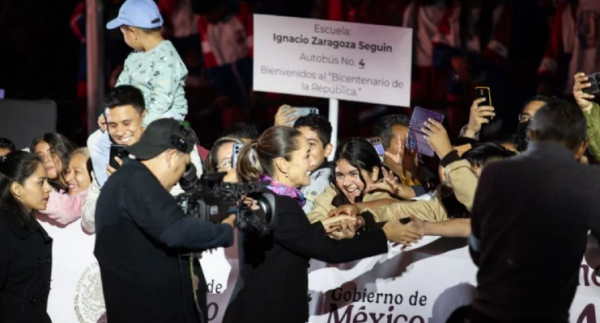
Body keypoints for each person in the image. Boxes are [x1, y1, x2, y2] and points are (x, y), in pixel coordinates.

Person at [222, 126, 420, 323]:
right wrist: (384, 235)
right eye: (306, 155)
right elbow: (329, 250)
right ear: (283, 164)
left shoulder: (265, 195)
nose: (312, 162)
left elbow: (292, 238)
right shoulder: (281, 204)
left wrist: (323, 225)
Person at [448, 99, 600, 323]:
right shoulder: (590, 181)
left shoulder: (493, 174)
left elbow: (478, 249)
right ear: (583, 145)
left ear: (531, 135)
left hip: (486, 314)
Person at [94, 118, 235, 323]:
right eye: (184, 166)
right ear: (171, 156)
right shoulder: (137, 181)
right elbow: (178, 231)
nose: (181, 177)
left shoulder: (126, 180)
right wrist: (225, 229)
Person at [82, 85, 204, 233]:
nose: (119, 132)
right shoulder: (109, 160)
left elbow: (190, 206)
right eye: (113, 125)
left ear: (144, 115)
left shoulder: (176, 147)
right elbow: (88, 224)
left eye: (127, 123)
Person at [0, 151, 53, 322]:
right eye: (40, 182)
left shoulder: (31, 227)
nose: (48, 188)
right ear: (16, 189)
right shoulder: (4, 230)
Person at [36, 148, 92, 226]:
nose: (67, 178)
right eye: (68, 171)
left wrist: (35, 190)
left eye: (77, 172)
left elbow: (65, 209)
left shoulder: (94, 201)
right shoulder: (63, 195)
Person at [293, 114, 334, 214]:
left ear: (327, 150)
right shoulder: (302, 176)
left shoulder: (322, 181)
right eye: (297, 144)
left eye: (311, 144)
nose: (303, 151)